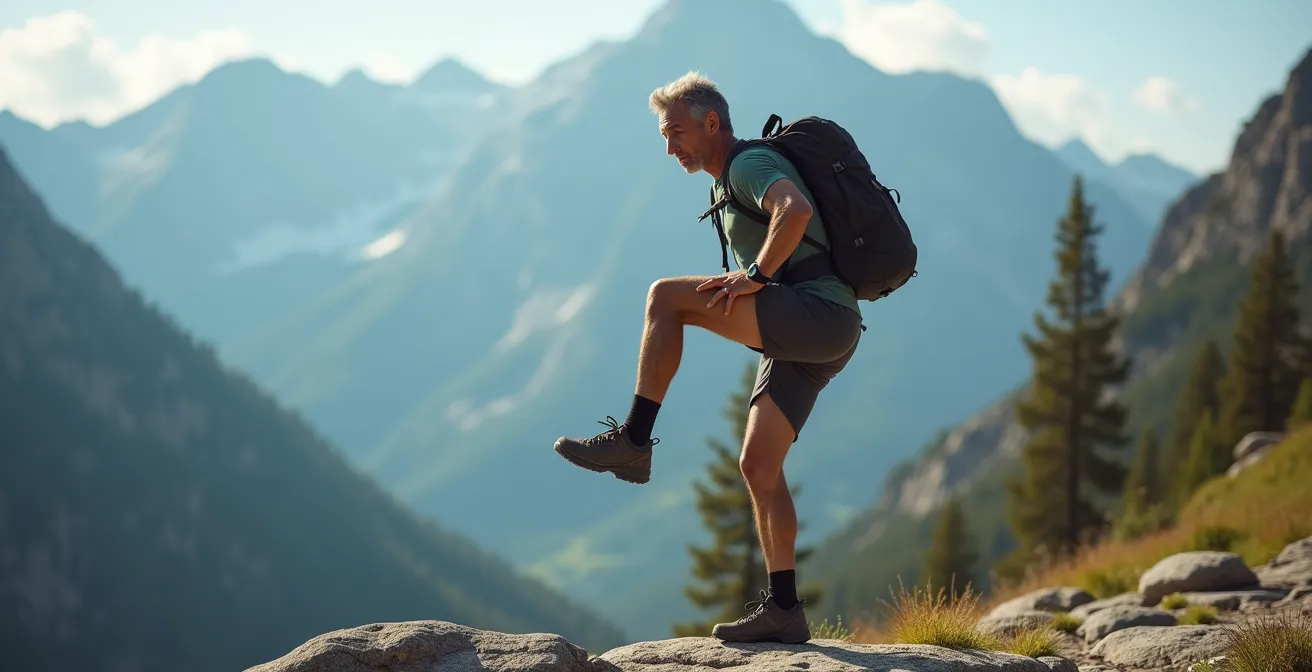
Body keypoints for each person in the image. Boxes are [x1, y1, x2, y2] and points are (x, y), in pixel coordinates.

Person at [552, 71, 863, 645]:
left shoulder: (746, 166)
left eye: (676, 132)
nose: (670, 147)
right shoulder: (726, 179)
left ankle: (634, 441)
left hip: (815, 314)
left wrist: (755, 276)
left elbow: (791, 212)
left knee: (665, 299)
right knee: (757, 466)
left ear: (711, 122)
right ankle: (786, 610)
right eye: (664, 136)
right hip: (822, 325)